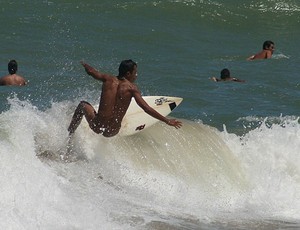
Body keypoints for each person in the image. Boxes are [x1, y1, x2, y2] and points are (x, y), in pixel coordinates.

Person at [68, 60, 182, 138]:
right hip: (112, 131)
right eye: (135, 72)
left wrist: (84, 64)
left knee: (82, 105)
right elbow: (146, 108)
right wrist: (167, 121)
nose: (136, 75)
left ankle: (70, 137)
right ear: (128, 73)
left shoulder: (107, 79)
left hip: (97, 125)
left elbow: (91, 72)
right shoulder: (132, 89)